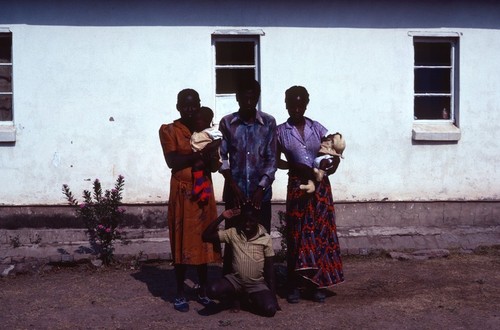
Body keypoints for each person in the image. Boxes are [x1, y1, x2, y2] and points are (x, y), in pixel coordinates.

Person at [276, 85, 344, 304]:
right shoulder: (280, 132)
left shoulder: (317, 128)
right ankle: (295, 285)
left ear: (306, 104)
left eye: (300, 103)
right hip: (298, 186)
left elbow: (331, 152)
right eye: (291, 104)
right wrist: (293, 166)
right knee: (297, 233)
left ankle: (316, 284)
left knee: (320, 233)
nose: (296, 108)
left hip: (321, 187)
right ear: (285, 104)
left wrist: (330, 167)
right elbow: (274, 159)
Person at [159, 89, 222, 312]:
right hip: (183, 193)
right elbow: (173, 161)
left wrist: (213, 153)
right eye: (184, 105)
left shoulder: (206, 130)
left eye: (193, 104)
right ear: (177, 107)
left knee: (204, 239)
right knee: (182, 240)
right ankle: (179, 292)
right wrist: (201, 155)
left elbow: (214, 166)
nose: (189, 109)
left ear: (199, 105)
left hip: (203, 191)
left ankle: (203, 289)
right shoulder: (169, 130)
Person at [218, 79, 277, 275]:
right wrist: (233, 186)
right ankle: (231, 285)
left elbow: (271, 159)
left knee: (261, 239)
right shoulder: (227, 123)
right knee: (233, 240)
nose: (249, 102)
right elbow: (222, 157)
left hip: (260, 196)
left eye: (253, 97)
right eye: (245, 98)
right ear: (237, 98)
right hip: (236, 194)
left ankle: (263, 284)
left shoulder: (268, 123)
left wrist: (261, 189)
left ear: (257, 98)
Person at [202, 204, 280, 317]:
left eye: (251, 221)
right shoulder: (233, 233)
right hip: (235, 281)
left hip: (256, 284)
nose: (247, 224)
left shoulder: (265, 238)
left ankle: (247, 298)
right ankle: (235, 296)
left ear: (257, 220)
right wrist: (222, 217)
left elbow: (269, 269)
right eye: (244, 220)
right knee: (212, 290)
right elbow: (206, 236)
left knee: (270, 310)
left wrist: (273, 296)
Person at [190, 106, 223, 204]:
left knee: (196, 167)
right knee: (204, 175)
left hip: (210, 156)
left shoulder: (211, 131)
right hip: (202, 155)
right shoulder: (197, 132)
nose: (196, 123)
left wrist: (208, 148)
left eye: (199, 121)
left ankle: (199, 185)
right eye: (195, 121)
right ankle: (206, 192)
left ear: (207, 121)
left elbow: (218, 140)